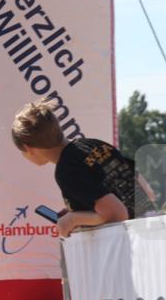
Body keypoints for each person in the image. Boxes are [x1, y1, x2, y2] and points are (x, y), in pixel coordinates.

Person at [11, 98, 156, 237]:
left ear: (28, 148)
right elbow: (147, 191)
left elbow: (117, 214)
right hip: (153, 228)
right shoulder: (92, 144)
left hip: (130, 244)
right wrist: (82, 212)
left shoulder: (67, 171)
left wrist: (72, 219)